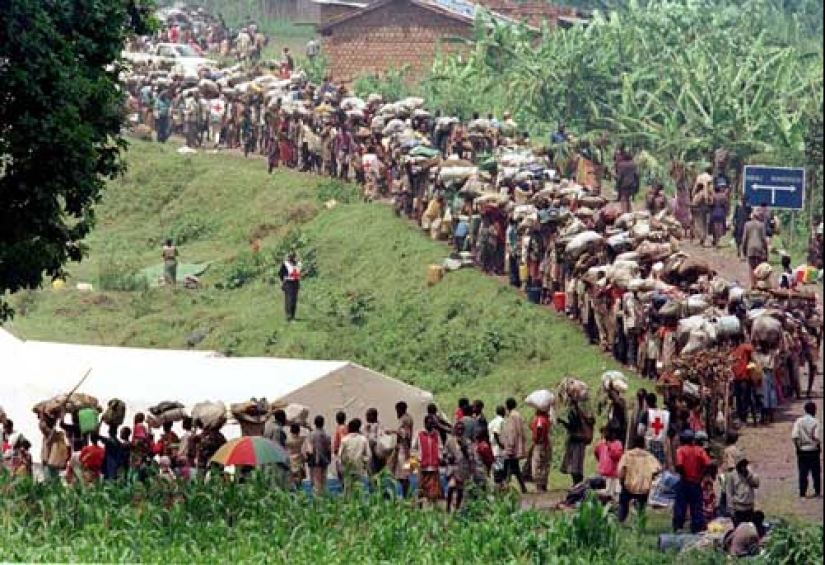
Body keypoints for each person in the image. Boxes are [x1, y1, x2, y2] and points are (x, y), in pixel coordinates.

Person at [673, 429, 712, 533]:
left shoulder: (680, 450)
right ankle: (697, 528)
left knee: (680, 506)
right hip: (696, 483)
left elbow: (679, 465)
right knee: (697, 507)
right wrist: (700, 476)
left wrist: (684, 475)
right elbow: (708, 464)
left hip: (684, 482)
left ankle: (678, 527)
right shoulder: (699, 450)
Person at [616, 436, 661, 522]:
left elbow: (621, 470)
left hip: (628, 485)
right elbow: (658, 468)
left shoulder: (627, 455)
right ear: (643, 444)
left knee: (623, 505)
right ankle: (640, 524)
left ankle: (620, 521)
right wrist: (651, 477)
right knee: (641, 508)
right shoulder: (648, 456)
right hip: (643, 487)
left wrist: (622, 481)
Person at [559, 397, 593, 486]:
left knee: (575, 464)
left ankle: (577, 483)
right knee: (576, 464)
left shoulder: (576, 413)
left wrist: (563, 423)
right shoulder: (580, 412)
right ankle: (577, 483)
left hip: (577, 440)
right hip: (578, 440)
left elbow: (573, 426)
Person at [412, 415, 443, 507]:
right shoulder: (419, 434)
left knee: (433, 490)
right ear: (425, 424)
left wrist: (440, 457)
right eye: (429, 423)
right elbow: (413, 448)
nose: (431, 425)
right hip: (422, 466)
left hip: (433, 466)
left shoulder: (436, 434)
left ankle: (432, 508)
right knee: (421, 488)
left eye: (432, 424)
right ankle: (419, 507)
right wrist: (417, 459)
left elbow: (440, 447)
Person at [791, 401, 821, 498]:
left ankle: (802, 493)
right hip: (813, 450)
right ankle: (817, 491)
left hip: (802, 450)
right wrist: (818, 446)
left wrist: (797, 447)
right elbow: (817, 437)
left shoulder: (799, 421)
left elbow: (794, 436)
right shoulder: (815, 421)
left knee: (803, 473)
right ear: (814, 410)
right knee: (816, 473)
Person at [500, 398, 527, 493]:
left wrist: (510, 447)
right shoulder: (517, 415)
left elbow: (512, 432)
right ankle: (523, 488)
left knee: (509, 468)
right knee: (515, 468)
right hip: (517, 446)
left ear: (507, 406)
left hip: (513, 447)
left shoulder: (512, 416)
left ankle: (505, 488)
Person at [725, 453, 760, 526]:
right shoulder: (732, 475)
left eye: (744, 465)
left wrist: (748, 475)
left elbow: (756, 484)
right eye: (741, 465)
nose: (743, 467)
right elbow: (729, 493)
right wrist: (731, 508)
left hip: (749, 506)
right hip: (738, 508)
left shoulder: (749, 473)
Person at [444, 421, 472, 512]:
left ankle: (457, 507)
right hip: (452, 468)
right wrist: (448, 458)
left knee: (460, 489)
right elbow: (444, 453)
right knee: (451, 486)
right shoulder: (450, 441)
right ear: (455, 430)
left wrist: (464, 449)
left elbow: (470, 457)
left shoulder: (467, 442)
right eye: (458, 429)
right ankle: (448, 506)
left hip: (462, 468)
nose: (460, 431)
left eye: (461, 429)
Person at [388, 401, 414, 497]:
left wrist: (393, 431)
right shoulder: (407, 418)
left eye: (397, 410)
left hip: (403, 450)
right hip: (404, 450)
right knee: (400, 474)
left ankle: (406, 495)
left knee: (403, 475)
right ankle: (406, 494)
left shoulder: (405, 419)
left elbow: (405, 435)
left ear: (401, 409)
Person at [338, 418, 371, 492]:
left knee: (347, 489)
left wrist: (342, 466)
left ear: (349, 428)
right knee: (359, 489)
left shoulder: (345, 440)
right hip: (359, 468)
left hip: (347, 469)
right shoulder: (363, 439)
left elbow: (340, 455)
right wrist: (364, 463)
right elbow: (369, 455)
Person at [638, 392, 670, 468]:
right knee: (659, 468)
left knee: (649, 468)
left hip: (649, 445)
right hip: (661, 445)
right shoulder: (664, 413)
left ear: (646, 402)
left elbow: (640, 431)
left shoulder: (646, 414)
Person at [305, 415, 332, 496]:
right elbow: (329, 449)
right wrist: (329, 460)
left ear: (315, 423)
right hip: (324, 461)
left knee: (316, 483)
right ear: (323, 423)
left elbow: (309, 450)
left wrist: (308, 460)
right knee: (323, 482)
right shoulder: (327, 436)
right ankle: (323, 499)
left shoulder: (311, 435)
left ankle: (317, 501)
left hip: (315, 462)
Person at [593, 427, 623, 500]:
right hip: (602, 473)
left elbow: (618, 456)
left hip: (612, 474)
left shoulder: (617, 443)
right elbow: (596, 453)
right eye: (602, 434)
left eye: (605, 433)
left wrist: (610, 447)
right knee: (602, 493)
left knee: (612, 493)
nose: (604, 436)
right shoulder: (600, 444)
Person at [529, 407, 552, 492]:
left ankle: (539, 486)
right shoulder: (546, 419)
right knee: (545, 464)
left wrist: (538, 440)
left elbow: (539, 429)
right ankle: (544, 484)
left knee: (538, 464)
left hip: (540, 444)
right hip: (546, 444)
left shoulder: (539, 419)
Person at [278, 251, 302, 321]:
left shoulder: (299, 264)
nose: (291, 257)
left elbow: (299, 273)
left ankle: (293, 315)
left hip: (296, 283)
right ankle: (288, 315)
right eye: (290, 256)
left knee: (294, 300)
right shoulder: (285, 264)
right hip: (288, 283)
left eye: (292, 256)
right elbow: (280, 273)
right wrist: (283, 280)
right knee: (289, 299)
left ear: (294, 257)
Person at [614, 150, 639, 214]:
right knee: (629, 200)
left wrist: (617, 185)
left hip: (624, 185)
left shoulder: (621, 165)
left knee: (624, 200)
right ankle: (631, 213)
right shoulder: (634, 165)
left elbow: (620, 177)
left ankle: (625, 214)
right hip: (633, 185)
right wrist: (637, 186)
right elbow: (637, 175)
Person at [285, 423, 306, 490]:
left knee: (291, 482)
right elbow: (310, 435)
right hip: (299, 461)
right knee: (299, 483)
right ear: (298, 431)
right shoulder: (302, 439)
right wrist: (307, 427)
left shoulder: (287, 441)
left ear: (291, 431)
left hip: (290, 461)